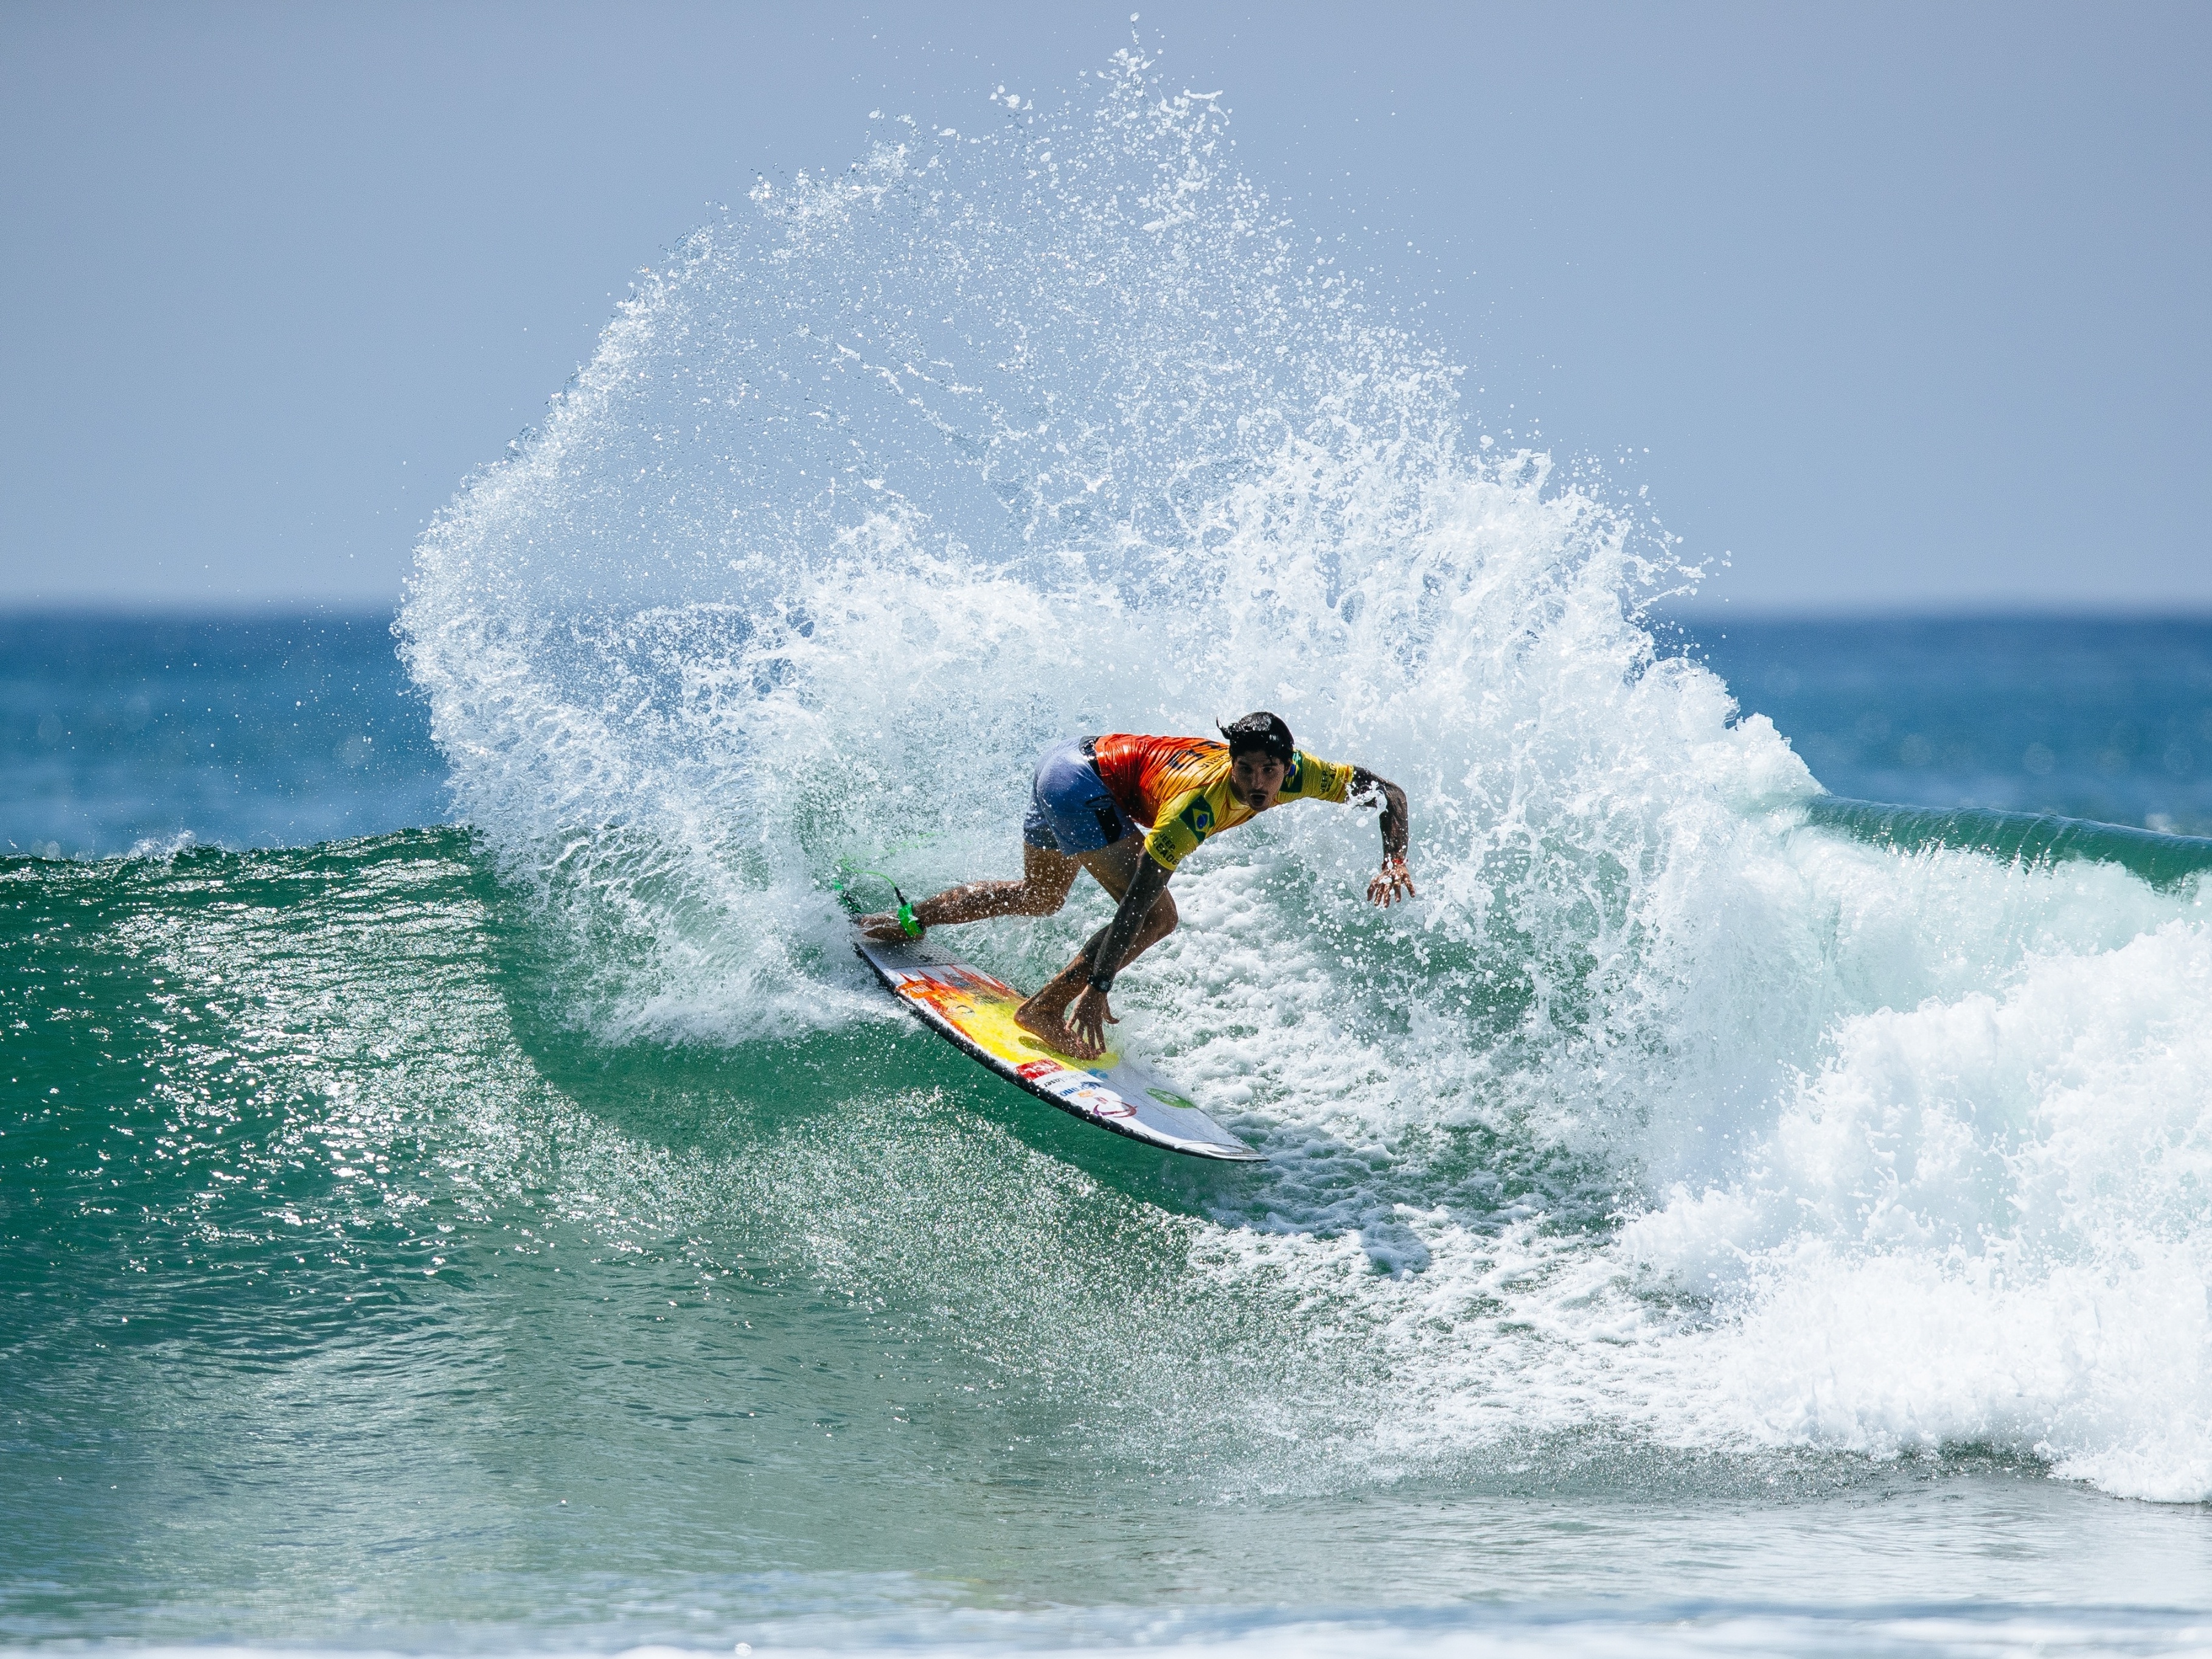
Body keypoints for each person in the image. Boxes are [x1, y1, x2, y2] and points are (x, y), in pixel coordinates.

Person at [858, 712, 1413, 1059]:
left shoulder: (1306, 773)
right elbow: (1137, 907)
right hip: (1080, 783)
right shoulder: (1194, 809)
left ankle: (902, 922)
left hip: (1066, 761)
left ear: (1287, 765)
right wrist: (1097, 986)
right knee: (1157, 916)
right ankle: (1046, 1009)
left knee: (1042, 896)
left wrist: (1395, 859)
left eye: (1269, 770)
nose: (1258, 783)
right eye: (1245, 770)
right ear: (1232, 762)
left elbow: (1389, 793)